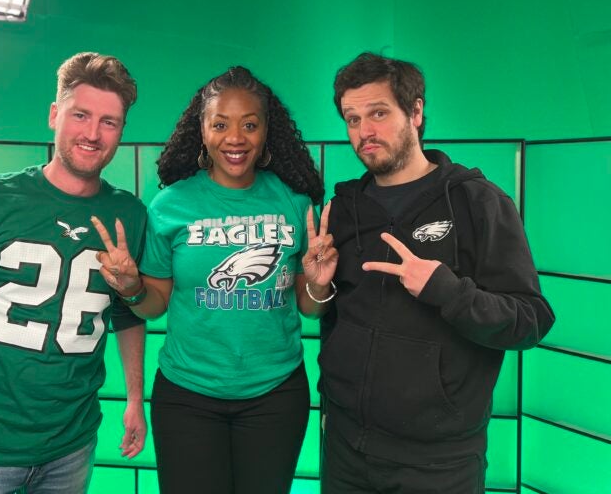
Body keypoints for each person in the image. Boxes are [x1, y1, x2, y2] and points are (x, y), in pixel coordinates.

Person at [91, 66, 337, 494]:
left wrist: (317, 282)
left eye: (249, 124)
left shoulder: (295, 201)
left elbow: (310, 308)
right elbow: (155, 305)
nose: (235, 138)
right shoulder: (171, 204)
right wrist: (130, 287)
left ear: (266, 133)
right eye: (220, 124)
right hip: (188, 395)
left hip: (275, 395)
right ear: (201, 130)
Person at [318, 52, 555, 493]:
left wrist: (447, 291)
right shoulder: (345, 209)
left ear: (416, 112)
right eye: (352, 119)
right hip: (347, 449)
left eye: (378, 113)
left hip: (439, 463)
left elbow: (530, 320)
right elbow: (337, 317)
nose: (364, 132)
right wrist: (318, 287)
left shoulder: (477, 202)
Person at [0, 52, 148, 494]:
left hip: (72, 445)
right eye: (81, 115)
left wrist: (134, 399)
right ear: (54, 114)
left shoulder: (129, 216)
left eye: (109, 122)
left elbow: (128, 313)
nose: (93, 134)